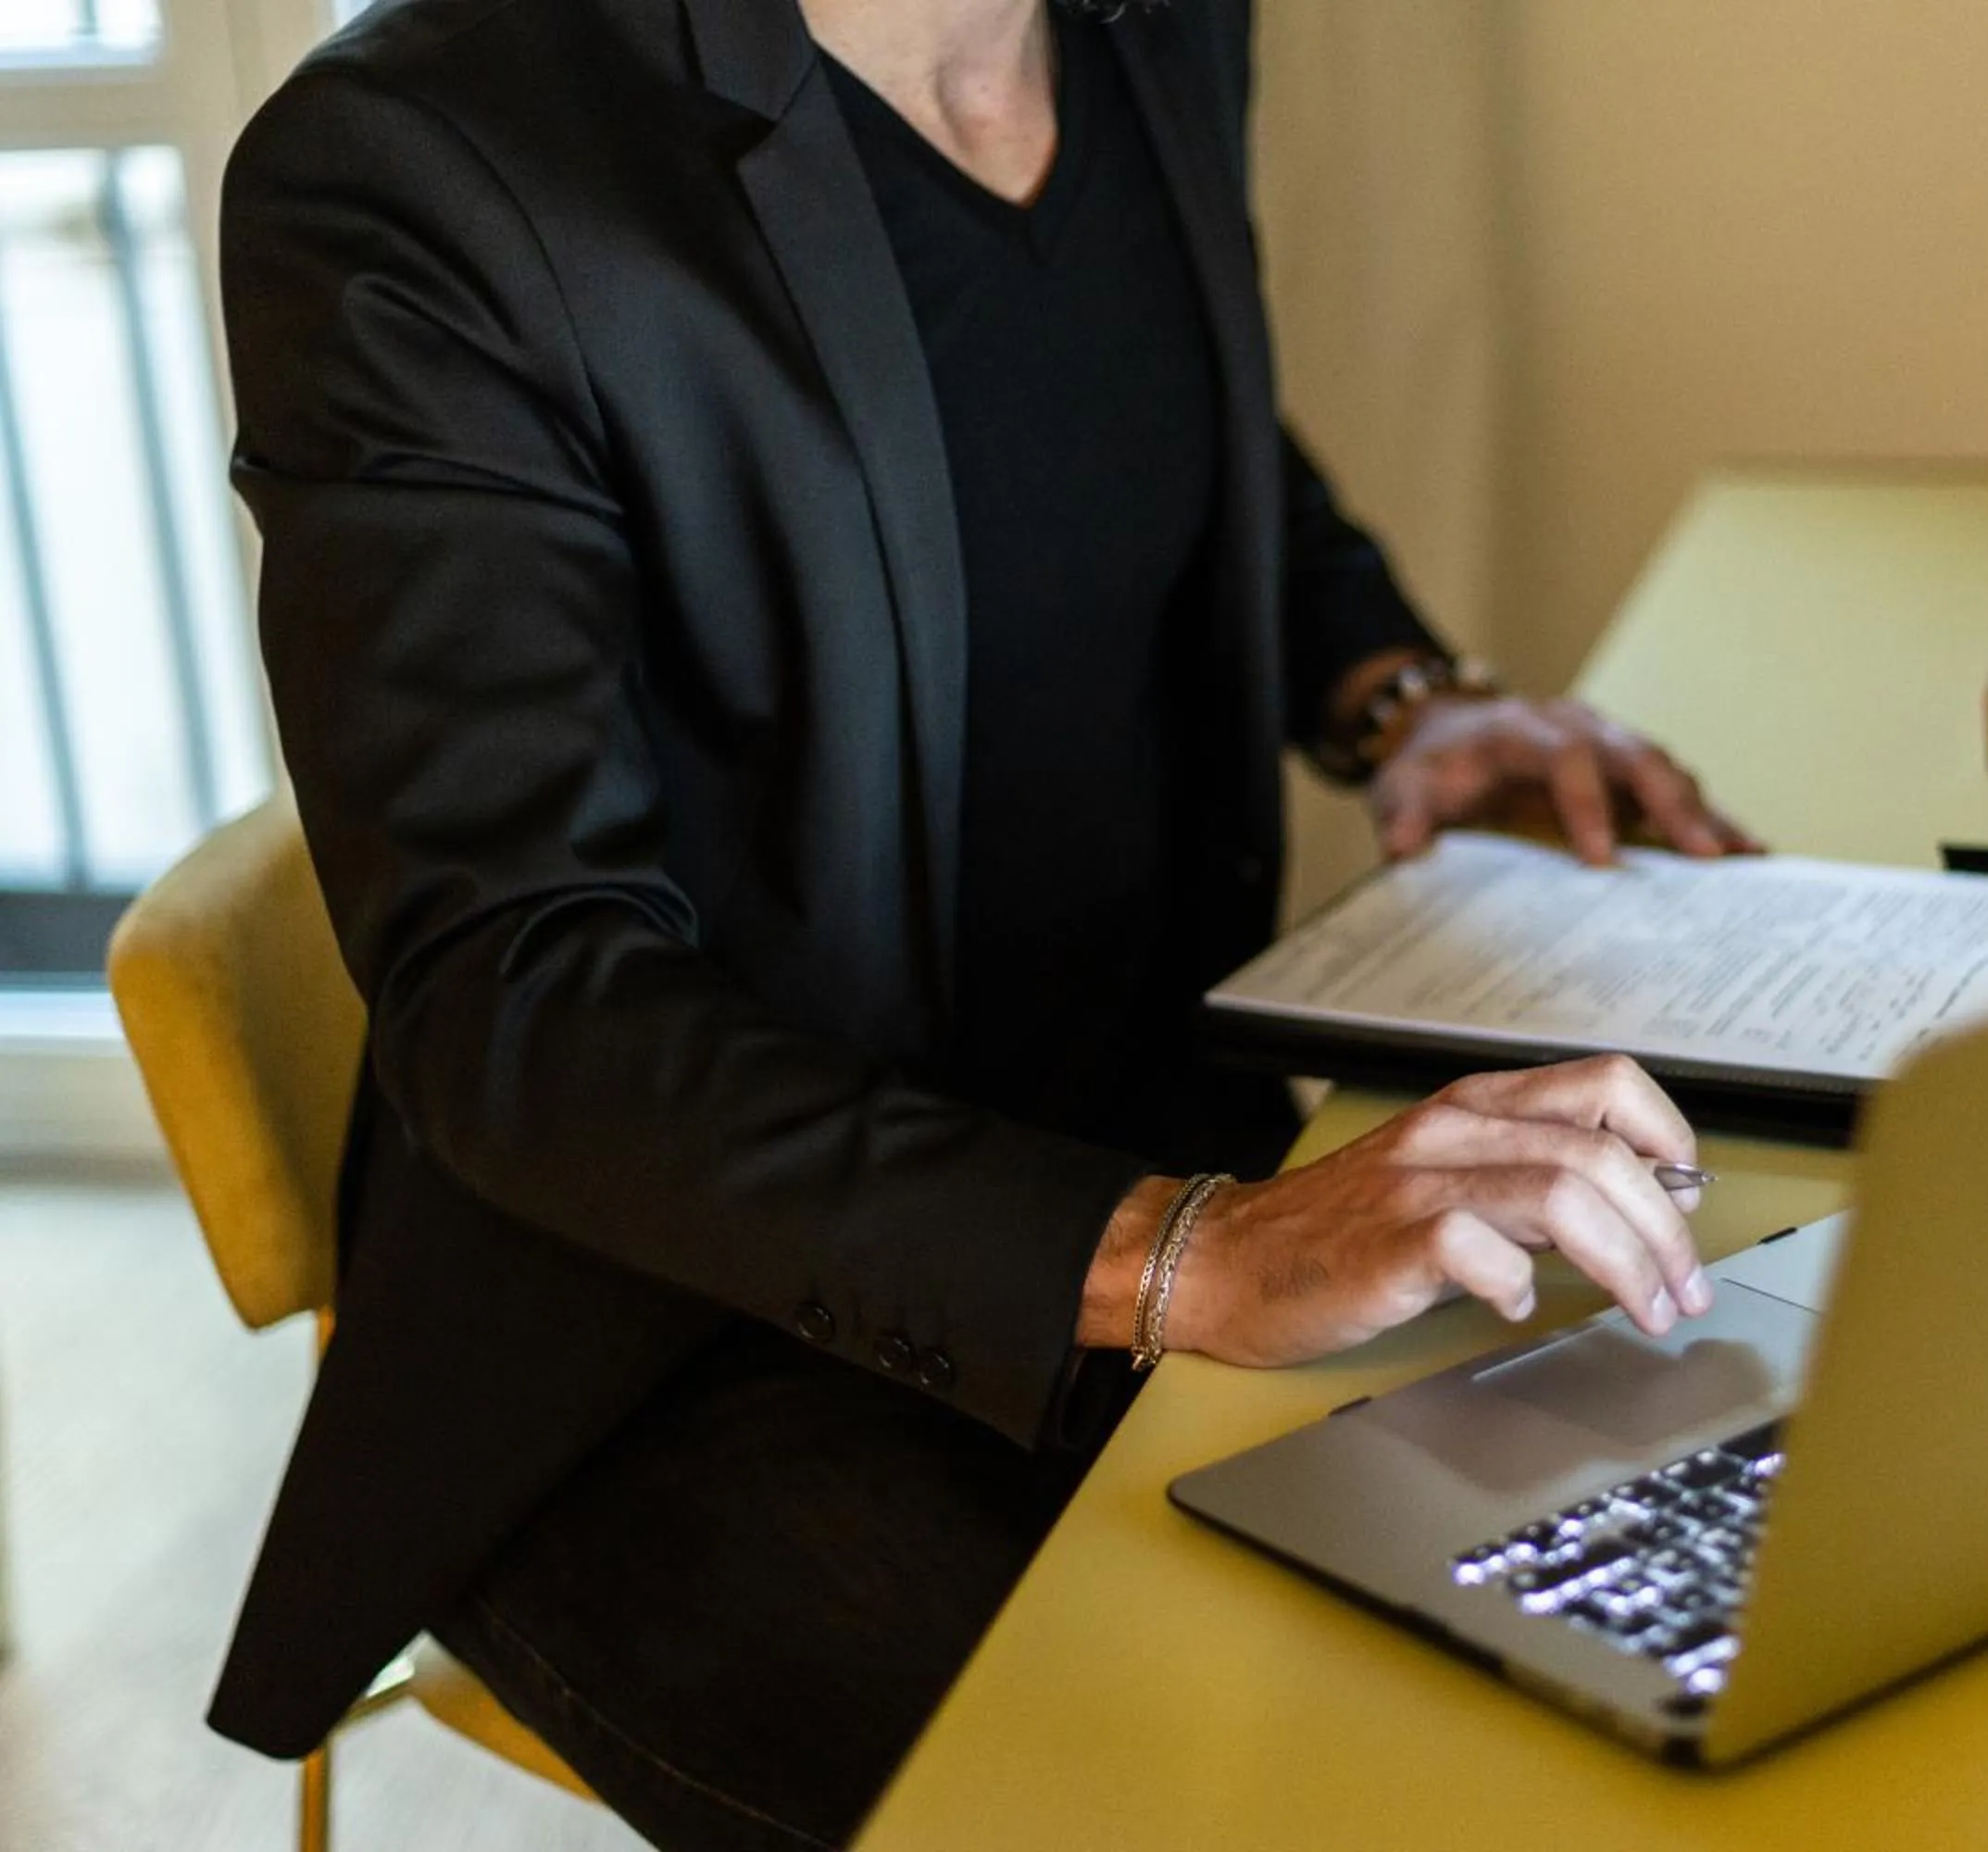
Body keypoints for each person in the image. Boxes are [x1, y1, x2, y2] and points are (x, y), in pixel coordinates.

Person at [212, 0, 1754, 1844]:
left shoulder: (1157, 26)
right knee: (1254, 1805)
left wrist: (1398, 692)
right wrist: (1184, 1256)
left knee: (1673, 1631)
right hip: (690, 1342)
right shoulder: (423, 160)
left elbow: (1155, 414)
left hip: (1186, 1176)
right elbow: (521, 1000)